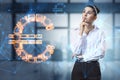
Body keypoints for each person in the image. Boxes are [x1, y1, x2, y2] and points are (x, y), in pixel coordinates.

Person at [70, 4, 106, 80]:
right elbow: (76, 51)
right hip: (78, 66)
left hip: (93, 67)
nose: (85, 14)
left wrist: (84, 57)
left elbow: (101, 53)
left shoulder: (100, 32)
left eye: (89, 13)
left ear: (95, 17)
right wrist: (81, 33)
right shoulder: (75, 31)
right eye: (84, 12)